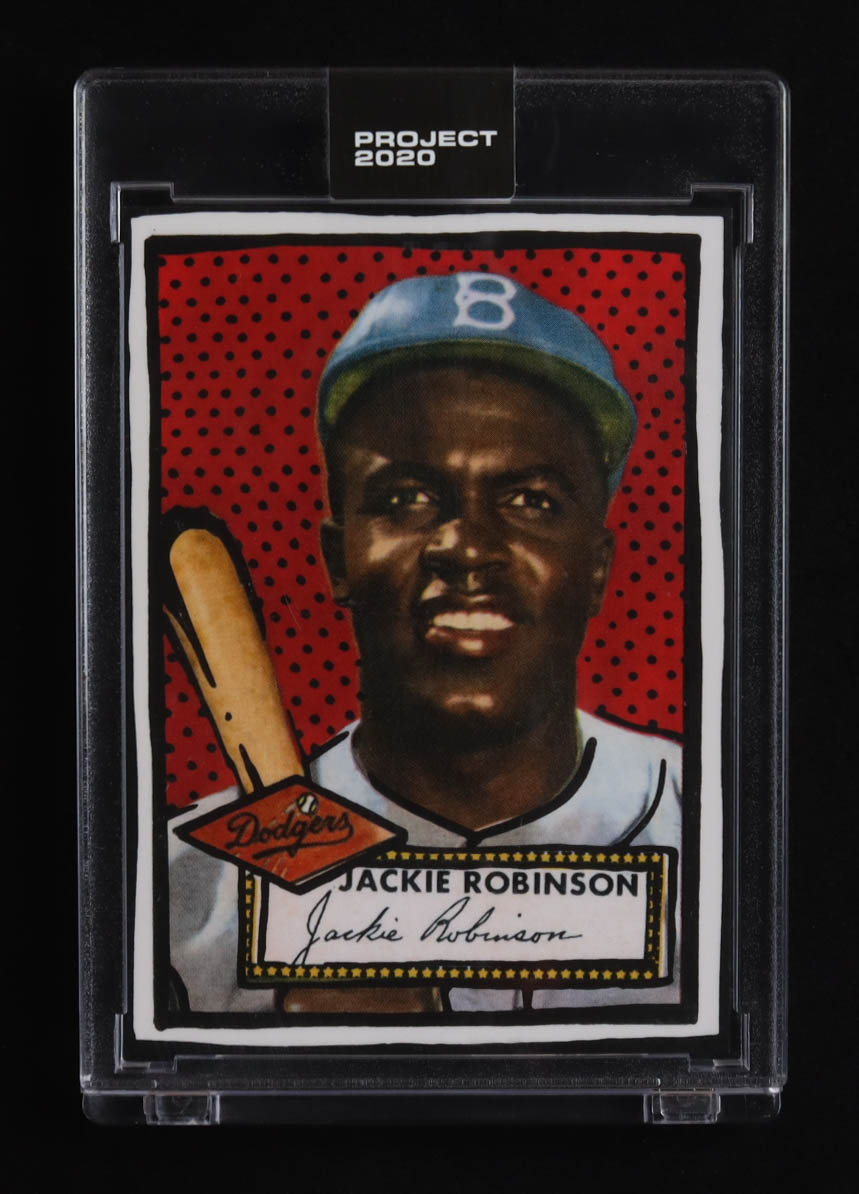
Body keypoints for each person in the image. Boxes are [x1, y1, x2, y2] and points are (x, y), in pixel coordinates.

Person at [167, 271, 682, 1015]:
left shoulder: (729, 840)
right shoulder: (177, 893)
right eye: (406, 498)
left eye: (531, 500)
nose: (466, 548)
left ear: (596, 570)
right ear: (340, 557)